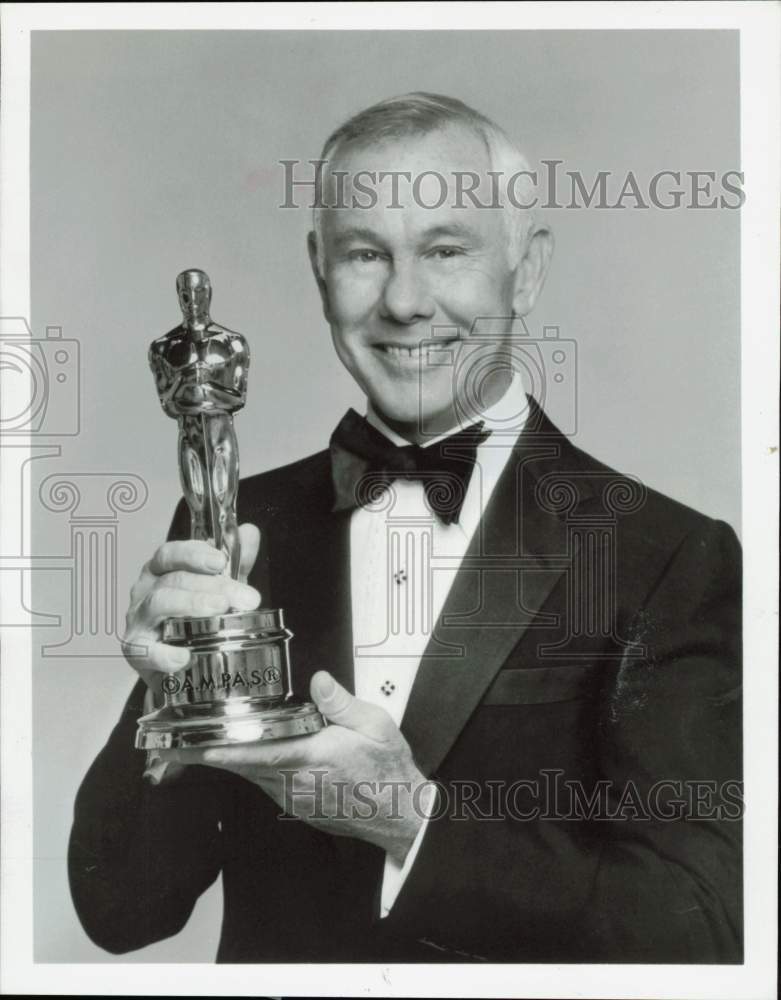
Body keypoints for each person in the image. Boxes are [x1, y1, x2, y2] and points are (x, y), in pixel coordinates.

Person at [68, 92, 742, 963]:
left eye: (446, 250)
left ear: (525, 269)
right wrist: (167, 701)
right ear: (319, 270)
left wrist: (410, 823)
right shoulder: (243, 523)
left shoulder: (667, 557)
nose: (404, 301)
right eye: (363, 254)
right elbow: (119, 907)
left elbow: (704, 930)